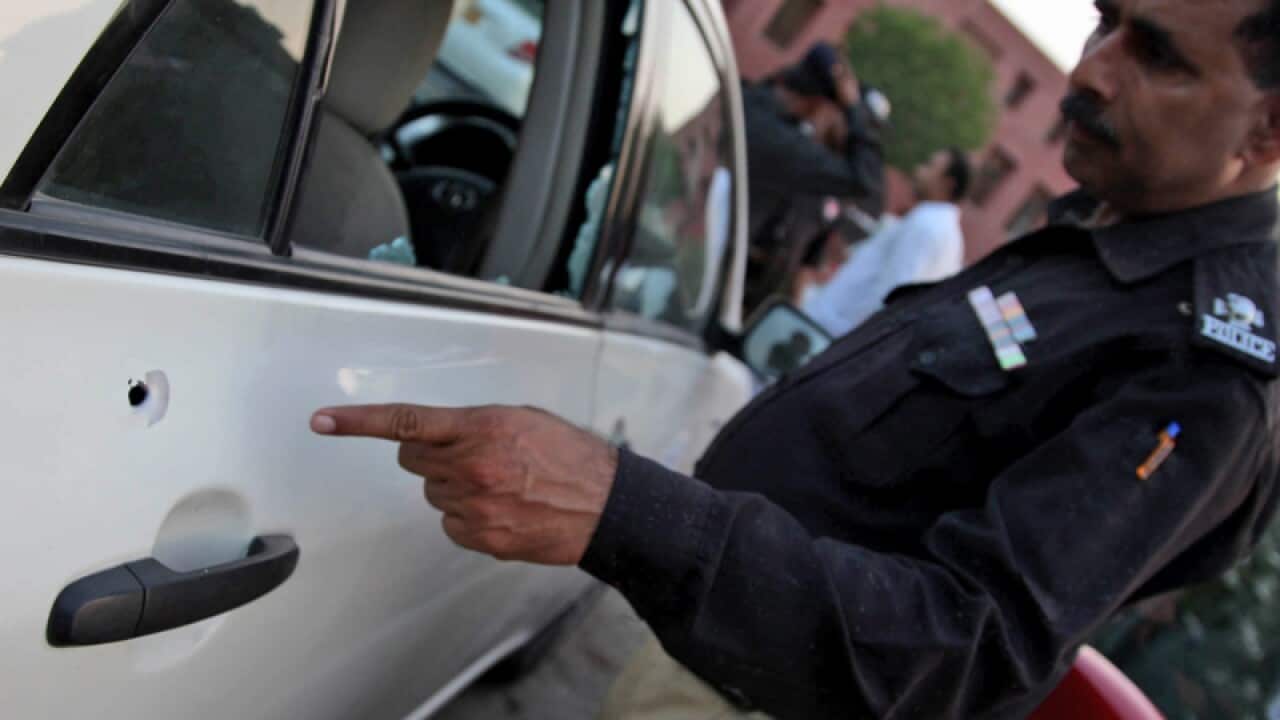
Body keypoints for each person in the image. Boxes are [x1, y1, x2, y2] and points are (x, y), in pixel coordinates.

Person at [309, 0, 1280, 717]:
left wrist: (620, 509)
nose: (1091, 72)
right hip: (711, 667)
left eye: (1154, 55)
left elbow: (960, 645)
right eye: (1103, 22)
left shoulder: (1205, 361)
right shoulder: (1093, 238)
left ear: (1267, 129)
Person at [742, 42, 887, 312]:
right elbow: (865, 178)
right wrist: (853, 107)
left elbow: (807, 264)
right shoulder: (789, 148)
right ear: (822, 104)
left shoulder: (753, 105)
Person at [800, 148, 972, 337]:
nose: (919, 170)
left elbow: (892, 293)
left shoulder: (927, 224)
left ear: (946, 184)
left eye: (930, 166)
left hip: (833, 331)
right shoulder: (950, 235)